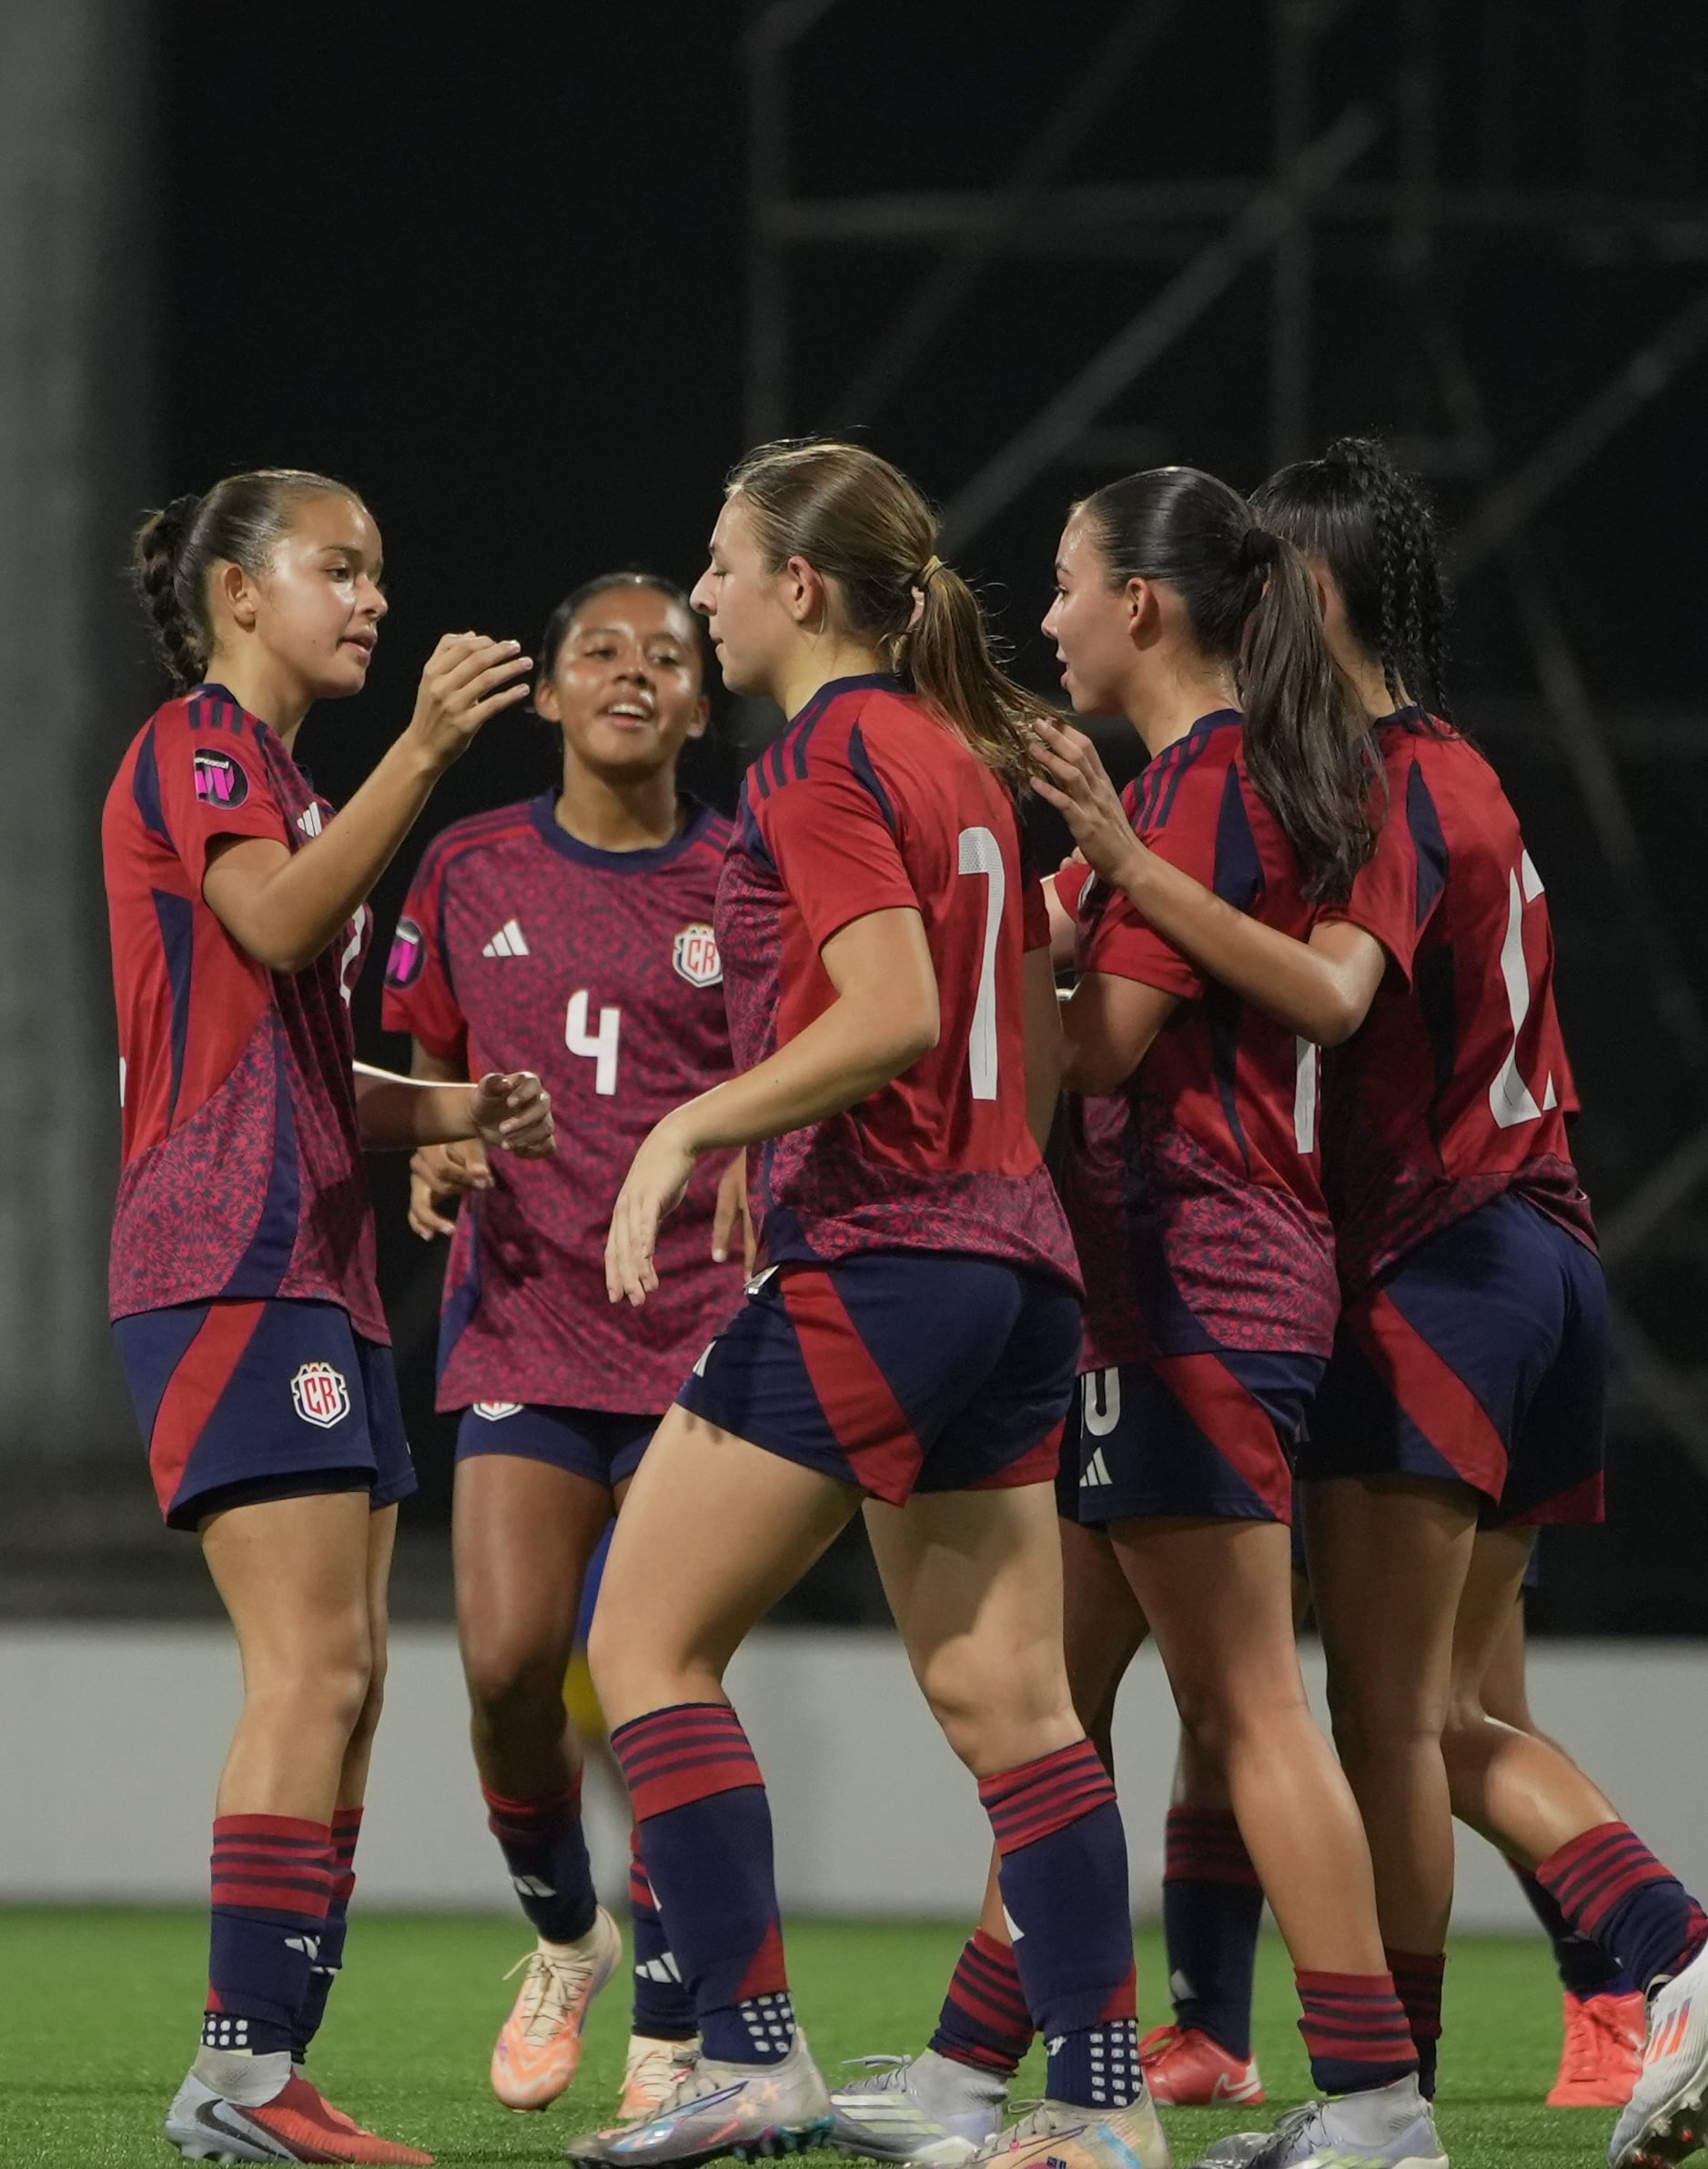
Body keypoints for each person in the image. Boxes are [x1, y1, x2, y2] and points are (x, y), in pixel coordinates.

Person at [1028, 439, 1708, 2169]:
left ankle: (1665, 1956)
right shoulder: (1456, 767)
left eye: (1265, 584)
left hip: (1445, 1262)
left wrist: (1117, 854)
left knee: (1391, 1720)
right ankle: (1380, 2088)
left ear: (1306, 595)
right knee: (1424, 1711)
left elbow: (1329, 999)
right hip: (1537, 1252)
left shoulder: (1385, 777)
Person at [563, 437, 1168, 2169]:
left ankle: (749, 2058)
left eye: (720, 562)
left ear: (799, 588)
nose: (699, 594)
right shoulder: (956, 760)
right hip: (1011, 1265)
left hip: (892, 1260)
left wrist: (692, 1124)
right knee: (1014, 1706)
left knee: (643, 1647)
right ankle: (1099, 2118)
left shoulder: (828, 754)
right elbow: (1021, 1030)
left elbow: (893, 1009)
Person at [837, 464, 1444, 2169]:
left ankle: (1376, 2106)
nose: (1041, 617)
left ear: (1142, 608)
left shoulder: (1193, 787)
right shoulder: (1210, 778)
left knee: (1248, 1701)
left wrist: (978, 965)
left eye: (1060, 583)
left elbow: (1090, 1057)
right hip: (1166, 1291)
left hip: (1194, 1286)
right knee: (1055, 1706)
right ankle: (970, 2075)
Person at [105, 469, 553, 2167]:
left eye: (378, 571)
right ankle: (233, 2074)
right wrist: (430, 748)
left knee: (354, 1675)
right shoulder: (202, 750)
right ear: (236, 590)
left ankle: (272, 2067)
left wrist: (447, 1114)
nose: (369, 599)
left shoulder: (279, 777)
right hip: (227, 1254)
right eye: (336, 567)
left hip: (318, 1257)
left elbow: (281, 1041)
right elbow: (273, 919)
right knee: (307, 1667)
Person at [382, 570, 745, 2117]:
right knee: (508, 1664)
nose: (631, 673)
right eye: (599, 649)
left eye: (666, 655)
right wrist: (435, 1154)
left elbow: (804, 1068)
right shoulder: (466, 867)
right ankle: (565, 1936)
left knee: (657, 1678)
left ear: (698, 704)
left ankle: (672, 2035)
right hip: (524, 1316)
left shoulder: (746, 876)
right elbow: (425, 1076)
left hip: (699, 1339)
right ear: (545, 695)